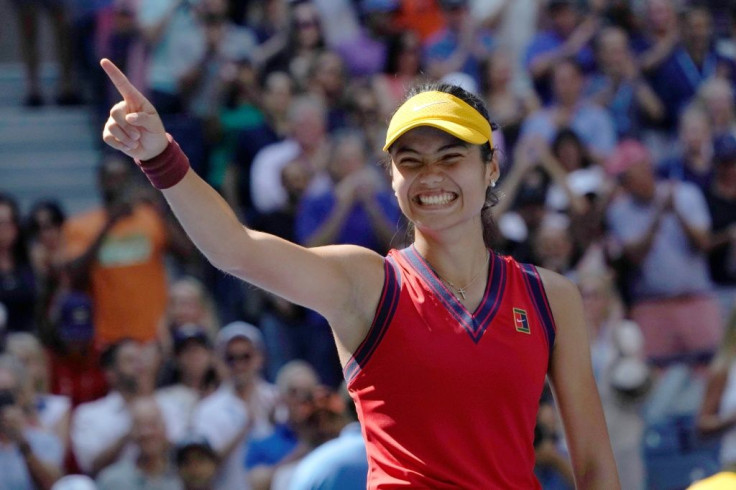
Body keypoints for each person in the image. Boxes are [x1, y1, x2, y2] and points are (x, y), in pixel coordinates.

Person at [99, 58, 620, 487]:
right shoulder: (368, 283)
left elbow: (595, 468)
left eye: (451, 156)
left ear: (491, 168)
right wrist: (159, 156)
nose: (430, 176)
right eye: (410, 161)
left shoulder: (551, 297)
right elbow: (235, 250)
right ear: (391, 178)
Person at [96, 396, 182, 490]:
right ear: (131, 433)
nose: (147, 433)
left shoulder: (184, 474)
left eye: (153, 425)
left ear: (165, 429)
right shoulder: (113, 480)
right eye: (140, 427)